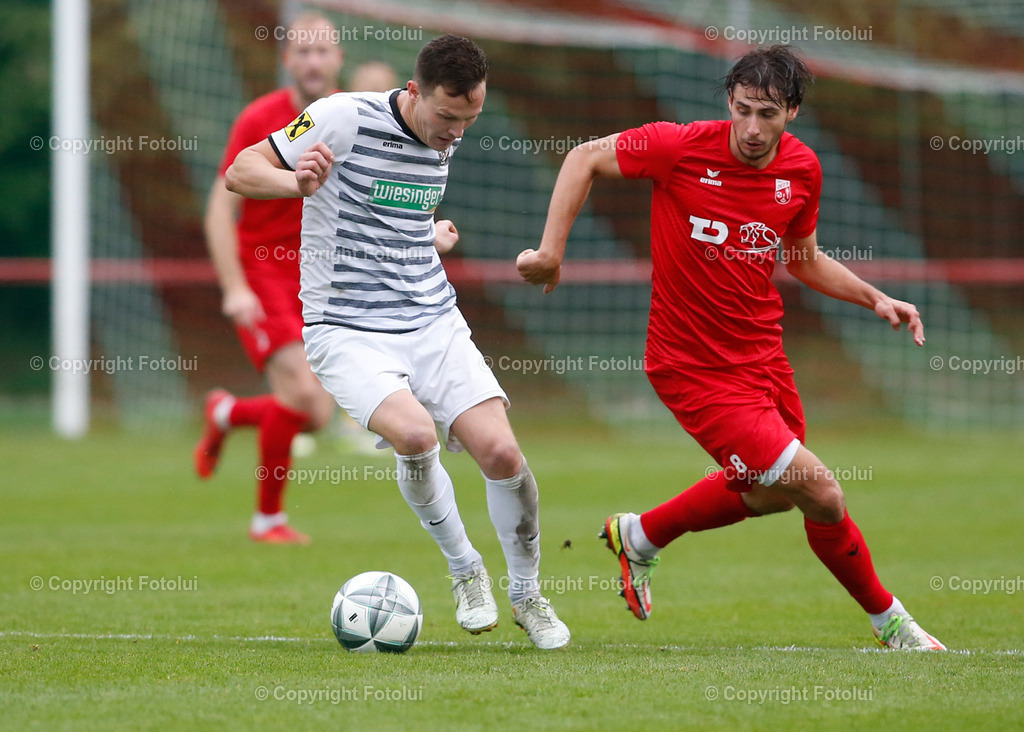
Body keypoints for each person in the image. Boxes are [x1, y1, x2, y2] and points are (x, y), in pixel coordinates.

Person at [517, 45, 945, 651]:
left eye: (767, 113)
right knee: (823, 490)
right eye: (742, 109)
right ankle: (892, 623)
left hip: (763, 359)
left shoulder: (801, 170)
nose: (751, 127)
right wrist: (550, 252)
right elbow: (584, 157)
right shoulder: (681, 146)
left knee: (774, 494)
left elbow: (804, 260)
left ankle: (640, 536)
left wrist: (873, 297)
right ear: (728, 103)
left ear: (791, 112)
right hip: (691, 367)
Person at [224, 35, 570, 649]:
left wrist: (424, 235)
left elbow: (390, 209)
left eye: (470, 119)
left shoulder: (445, 135)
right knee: (414, 435)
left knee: (503, 457)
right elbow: (241, 169)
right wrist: (295, 182)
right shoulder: (340, 115)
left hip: (432, 320)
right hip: (347, 328)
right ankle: (465, 570)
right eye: (446, 117)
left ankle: (527, 594)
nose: (456, 132)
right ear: (414, 93)